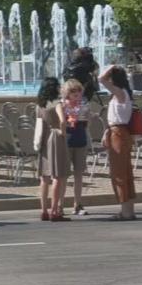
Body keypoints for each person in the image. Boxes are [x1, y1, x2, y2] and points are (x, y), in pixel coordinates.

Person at [99, 65, 137, 220]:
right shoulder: (123, 94)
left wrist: (111, 67)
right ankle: (128, 209)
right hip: (119, 132)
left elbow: (101, 79)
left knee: (119, 173)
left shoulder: (120, 93)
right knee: (125, 171)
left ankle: (126, 211)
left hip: (118, 133)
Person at [35, 78, 69, 221]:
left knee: (44, 177)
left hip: (43, 138)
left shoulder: (40, 105)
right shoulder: (57, 104)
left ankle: (43, 210)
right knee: (58, 176)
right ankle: (54, 210)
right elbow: (62, 121)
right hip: (55, 137)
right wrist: (63, 132)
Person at [59, 79, 88, 216]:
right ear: (67, 93)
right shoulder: (63, 106)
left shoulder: (83, 106)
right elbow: (60, 123)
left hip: (80, 140)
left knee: (79, 175)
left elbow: (87, 123)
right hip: (66, 142)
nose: (77, 95)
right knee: (63, 175)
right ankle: (60, 204)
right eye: (73, 92)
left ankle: (78, 204)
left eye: (78, 92)